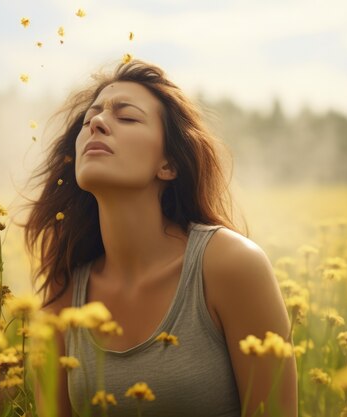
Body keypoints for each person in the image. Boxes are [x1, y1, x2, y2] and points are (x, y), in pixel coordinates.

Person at [22, 60, 297, 417]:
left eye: (127, 118)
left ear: (168, 164)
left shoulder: (231, 266)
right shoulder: (64, 291)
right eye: (91, 118)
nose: (97, 123)